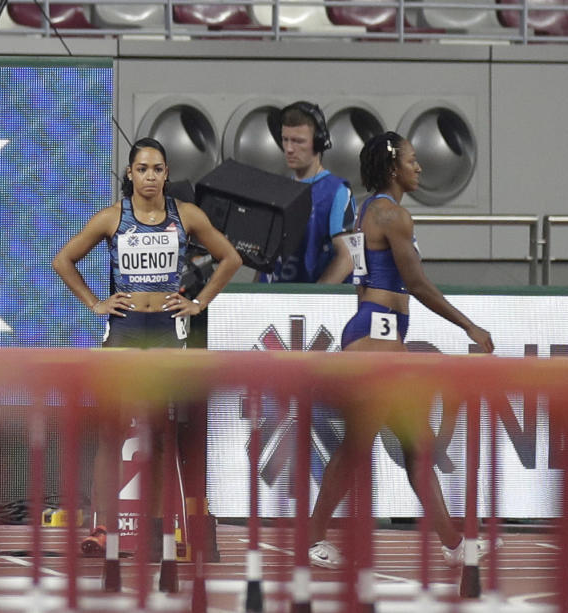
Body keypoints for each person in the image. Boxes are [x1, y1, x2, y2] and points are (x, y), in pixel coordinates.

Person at [307, 131, 496, 569]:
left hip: (376, 339)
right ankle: (311, 538)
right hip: (375, 343)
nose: (420, 167)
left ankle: (455, 545)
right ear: (394, 167)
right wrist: (469, 326)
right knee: (358, 448)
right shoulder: (391, 215)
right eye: (413, 160)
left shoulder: (369, 210)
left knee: (416, 446)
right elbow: (416, 283)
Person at [52, 137, 241, 558]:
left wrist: (198, 302)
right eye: (142, 169)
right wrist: (95, 303)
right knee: (111, 431)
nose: (150, 176)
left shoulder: (186, 216)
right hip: (124, 329)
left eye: (157, 169)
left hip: (166, 332)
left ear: (167, 173)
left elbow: (230, 258)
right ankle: (103, 526)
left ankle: (158, 528)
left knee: (159, 433)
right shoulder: (111, 219)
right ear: (129, 174)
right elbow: (63, 260)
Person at [259, 101, 356, 284]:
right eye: (285, 139)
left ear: (319, 142)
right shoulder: (277, 191)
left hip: (313, 305)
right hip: (273, 303)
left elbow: (347, 258)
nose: (288, 148)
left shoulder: (337, 191)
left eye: (297, 141)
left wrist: (314, 298)